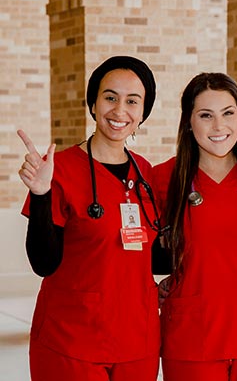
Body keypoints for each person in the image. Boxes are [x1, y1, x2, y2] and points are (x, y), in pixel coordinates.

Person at [17, 56, 162, 381]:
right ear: (94, 104)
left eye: (132, 101)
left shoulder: (147, 174)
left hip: (137, 343)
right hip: (71, 340)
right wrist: (41, 194)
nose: (119, 110)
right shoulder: (60, 170)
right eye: (110, 97)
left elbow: (154, 257)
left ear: (143, 113)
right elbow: (43, 262)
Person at [153, 72, 237, 381]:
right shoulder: (163, 179)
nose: (219, 126)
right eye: (205, 115)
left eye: (228, 113)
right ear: (188, 121)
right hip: (192, 335)